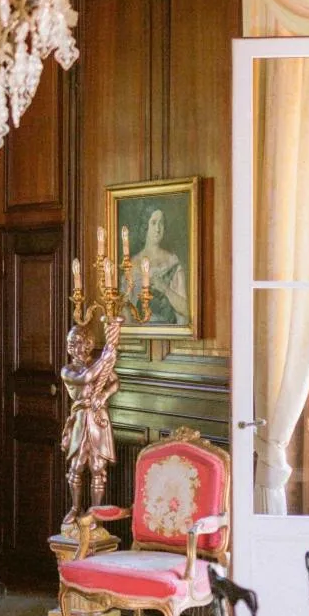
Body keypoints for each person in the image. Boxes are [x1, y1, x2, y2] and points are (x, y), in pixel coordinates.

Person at [60, 317, 120, 528]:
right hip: (80, 419)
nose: (77, 347)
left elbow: (114, 382)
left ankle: (95, 512)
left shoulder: (97, 366)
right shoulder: (68, 370)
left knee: (97, 467)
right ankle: (75, 507)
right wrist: (105, 359)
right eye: (73, 343)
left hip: (98, 419)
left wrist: (102, 396)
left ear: (89, 344)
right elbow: (86, 378)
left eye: (81, 342)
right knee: (77, 466)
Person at [127, 208, 189, 325]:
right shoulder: (132, 263)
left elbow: (186, 309)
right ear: (145, 226)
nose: (158, 229)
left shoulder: (172, 261)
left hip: (168, 331)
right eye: (154, 222)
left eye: (161, 223)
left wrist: (165, 288)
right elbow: (125, 306)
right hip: (140, 332)